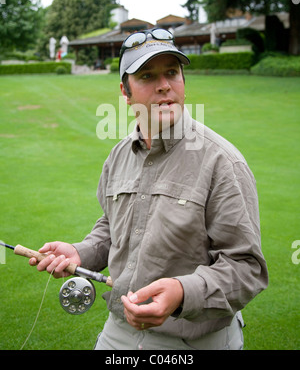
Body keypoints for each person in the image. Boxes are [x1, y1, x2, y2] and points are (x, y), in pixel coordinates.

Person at [30, 28, 268, 350]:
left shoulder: (222, 163)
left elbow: (247, 268)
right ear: (125, 92)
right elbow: (112, 227)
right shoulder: (118, 156)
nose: (164, 85)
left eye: (172, 72)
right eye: (146, 76)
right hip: (118, 334)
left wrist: (183, 292)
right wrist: (81, 252)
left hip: (195, 340)